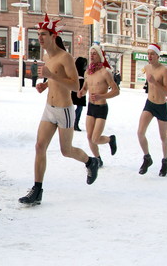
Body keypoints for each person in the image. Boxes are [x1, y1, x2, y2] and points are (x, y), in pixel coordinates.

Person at [19, 14, 99, 205]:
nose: (40, 38)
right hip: (49, 108)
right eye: (38, 34)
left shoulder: (66, 57)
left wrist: (50, 77)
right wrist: (45, 85)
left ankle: (90, 161)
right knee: (39, 146)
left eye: (44, 34)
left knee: (66, 150)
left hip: (64, 110)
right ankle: (37, 190)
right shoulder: (46, 56)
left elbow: (74, 86)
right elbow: (54, 77)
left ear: (53, 36)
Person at [77, 45, 119, 168]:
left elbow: (116, 91)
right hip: (91, 107)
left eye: (94, 53)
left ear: (100, 56)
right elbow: (85, 88)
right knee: (90, 137)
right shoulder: (87, 73)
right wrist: (81, 93)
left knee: (95, 138)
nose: (92, 55)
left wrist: (102, 96)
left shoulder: (105, 72)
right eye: (91, 53)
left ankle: (110, 140)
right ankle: (98, 159)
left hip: (101, 108)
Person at [137, 44, 167, 177]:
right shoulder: (147, 68)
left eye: (152, 54)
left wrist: (155, 83)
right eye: (148, 53)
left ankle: (165, 160)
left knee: (163, 137)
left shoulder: (164, 71)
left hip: (161, 106)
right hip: (150, 104)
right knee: (140, 132)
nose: (149, 56)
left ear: (158, 55)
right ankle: (147, 158)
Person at [72, 57, 88, 131]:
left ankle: (74, 123)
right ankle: (75, 123)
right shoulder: (82, 71)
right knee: (79, 108)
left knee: (79, 107)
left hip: (78, 89)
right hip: (79, 89)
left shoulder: (74, 70)